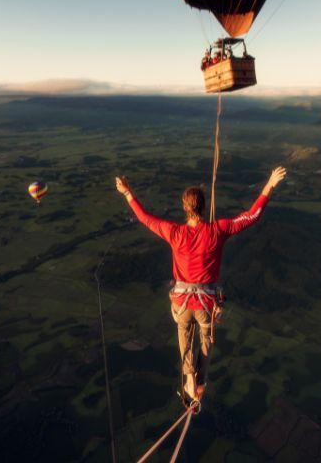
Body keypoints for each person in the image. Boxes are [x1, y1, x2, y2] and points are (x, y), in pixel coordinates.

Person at [114, 166, 287, 400]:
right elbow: (251, 216)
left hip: (182, 302)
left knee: (184, 341)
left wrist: (127, 193)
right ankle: (201, 382)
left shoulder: (174, 232)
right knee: (206, 341)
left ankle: (189, 379)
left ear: (185, 208)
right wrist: (270, 185)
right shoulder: (218, 230)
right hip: (205, 304)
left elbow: (145, 218)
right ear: (203, 207)